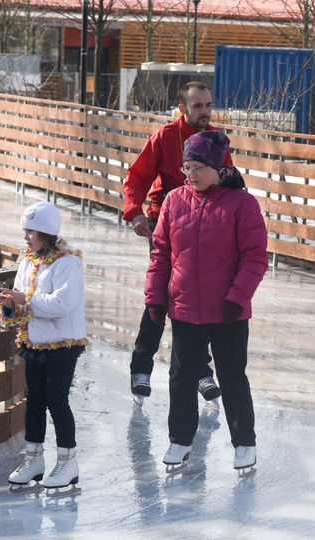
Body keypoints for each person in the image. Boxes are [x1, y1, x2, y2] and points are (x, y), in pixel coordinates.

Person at [144, 129, 268, 473]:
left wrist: (237, 297)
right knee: (181, 377)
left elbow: (255, 257)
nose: (191, 174)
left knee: (232, 377)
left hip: (228, 310)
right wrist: (155, 297)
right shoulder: (173, 201)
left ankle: (244, 443)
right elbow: (161, 254)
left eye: (198, 167)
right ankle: (180, 440)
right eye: (187, 168)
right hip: (184, 307)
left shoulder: (242, 204)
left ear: (217, 167)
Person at [122, 81, 231, 405]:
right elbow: (138, 176)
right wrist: (135, 213)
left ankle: (199, 370)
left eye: (209, 105)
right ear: (183, 108)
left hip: (202, 222)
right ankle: (143, 366)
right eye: (198, 106)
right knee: (169, 291)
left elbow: (228, 182)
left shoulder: (216, 140)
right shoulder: (166, 136)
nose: (205, 112)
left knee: (195, 294)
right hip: (164, 219)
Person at [0, 202, 88, 492]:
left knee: (57, 401)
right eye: (25, 230)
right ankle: (34, 460)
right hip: (35, 342)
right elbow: (22, 304)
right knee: (34, 403)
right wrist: (9, 306)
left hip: (62, 344)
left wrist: (23, 301)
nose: (25, 237)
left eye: (30, 231)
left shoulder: (67, 261)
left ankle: (68, 462)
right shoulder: (29, 260)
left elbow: (62, 305)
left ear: (46, 232)